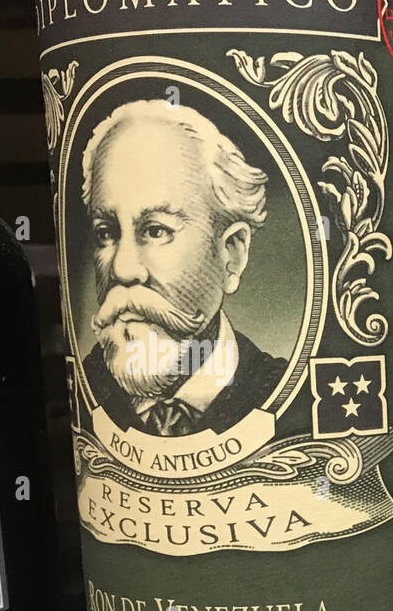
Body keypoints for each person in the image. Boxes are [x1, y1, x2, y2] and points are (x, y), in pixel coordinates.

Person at [79, 100, 286, 438]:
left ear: (231, 254)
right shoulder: (88, 387)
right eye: (106, 233)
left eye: (156, 230)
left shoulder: (283, 391)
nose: (123, 268)